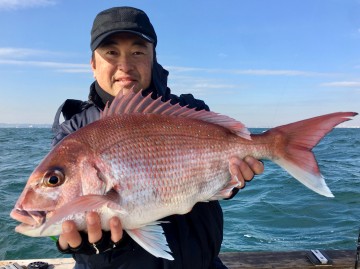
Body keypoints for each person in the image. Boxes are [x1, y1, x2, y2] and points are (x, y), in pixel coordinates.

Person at [51, 6, 264, 269]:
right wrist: (82, 243)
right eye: (111, 52)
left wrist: (230, 182)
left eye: (138, 52)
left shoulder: (191, 112)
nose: (125, 65)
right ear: (93, 64)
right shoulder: (73, 132)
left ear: (153, 59)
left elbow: (218, 183)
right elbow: (52, 217)